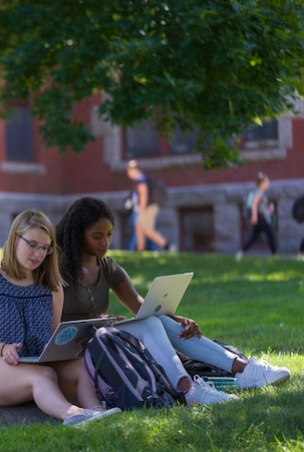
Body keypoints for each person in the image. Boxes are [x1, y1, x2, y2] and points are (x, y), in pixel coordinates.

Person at [55, 197, 290, 402]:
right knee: (151, 323)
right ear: (78, 234)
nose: (105, 243)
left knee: (156, 321)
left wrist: (178, 319)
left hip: (104, 337)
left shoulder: (106, 266)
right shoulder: (56, 266)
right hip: (68, 346)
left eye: (108, 235)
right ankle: (191, 389)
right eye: (97, 236)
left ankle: (241, 370)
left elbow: (140, 306)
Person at [0, 209, 121, 426]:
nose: (38, 254)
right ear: (15, 239)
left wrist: (74, 343)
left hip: (38, 362)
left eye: (45, 248)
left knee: (82, 366)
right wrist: (2, 348)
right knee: (42, 376)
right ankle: (72, 415)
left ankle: (96, 411)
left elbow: (53, 338)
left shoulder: (53, 287)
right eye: (32, 245)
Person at [126, 159, 174, 252]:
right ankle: (140, 251)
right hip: (146, 208)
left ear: (134, 170)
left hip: (147, 208)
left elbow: (144, 196)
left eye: (129, 170)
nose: (128, 173)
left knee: (147, 230)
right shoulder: (141, 179)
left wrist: (141, 211)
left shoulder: (140, 180)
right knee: (139, 229)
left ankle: (168, 247)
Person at [237, 172, 277, 258]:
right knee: (269, 234)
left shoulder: (261, 192)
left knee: (254, 237)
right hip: (259, 217)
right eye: (267, 182)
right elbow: (254, 204)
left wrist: (269, 210)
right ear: (262, 183)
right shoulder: (259, 192)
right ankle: (274, 254)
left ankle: (241, 253)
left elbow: (261, 206)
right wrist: (254, 216)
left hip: (260, 216)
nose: (268, 184)